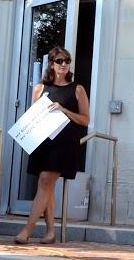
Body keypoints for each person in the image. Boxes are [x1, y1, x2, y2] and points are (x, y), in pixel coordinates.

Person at [14, 46, 90, 245]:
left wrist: (64, 110)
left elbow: (85, 120)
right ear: (51, 64)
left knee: (45, 181)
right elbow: (34, 117)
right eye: (59, 61)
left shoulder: (77, 89)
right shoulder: (39, 88)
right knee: (46, 185)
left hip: (64, 144)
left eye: (66, 61)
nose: (63, 64)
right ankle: (50, 232)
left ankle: (27, 230)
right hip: (43, 142)